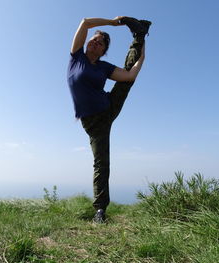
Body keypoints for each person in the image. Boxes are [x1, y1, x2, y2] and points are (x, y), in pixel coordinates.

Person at [67, 16, 151, 223]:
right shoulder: (76, 57)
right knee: (100, 161)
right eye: (94, 39)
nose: (95, 42)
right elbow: (85, 22)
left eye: (101, 43)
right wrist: (114, 23)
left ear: (103, 51)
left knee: (101, 164)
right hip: (91, 121)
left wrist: (142, 56)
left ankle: (100, 211)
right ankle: (139, 32)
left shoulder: (104, 67)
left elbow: (130, 76)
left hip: (107, 109)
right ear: (87, 43)